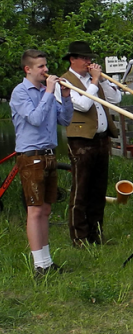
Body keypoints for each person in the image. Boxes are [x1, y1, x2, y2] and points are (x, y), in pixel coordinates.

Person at [10, 49, 73, 278]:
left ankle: (47, 262)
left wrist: (64, 97)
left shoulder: (47, 93)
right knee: (35, 210)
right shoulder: (20, 93)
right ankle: (39, 266)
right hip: (31, 156)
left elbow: (64, 119)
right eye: (41, 67)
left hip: (49, 154)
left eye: (46, 66)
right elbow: (35, 119)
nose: (46, 70)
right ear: (28, 69)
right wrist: (49, 92)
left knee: (46, 208)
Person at [62, 40, 121, 247]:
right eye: (85, 58)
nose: (89, 62)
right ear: (73, 59)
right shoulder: (64, 82)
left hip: (101, 140)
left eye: (90, 59)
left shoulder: (94, 80)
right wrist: (94, 82)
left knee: (98, 190)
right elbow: (83, 104)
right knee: (81, 191)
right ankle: (79, 237)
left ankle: (96, 234)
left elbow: (116, 99)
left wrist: (101, 80)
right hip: (80, 142)